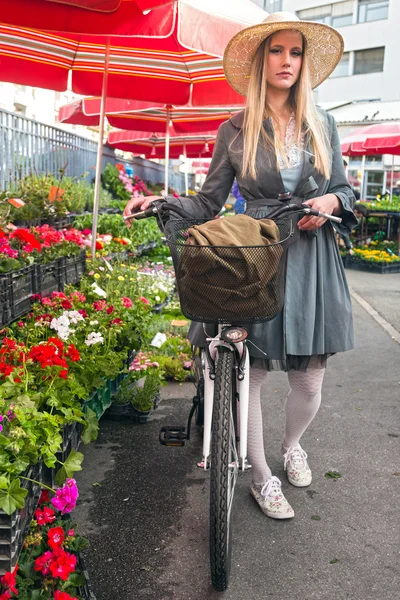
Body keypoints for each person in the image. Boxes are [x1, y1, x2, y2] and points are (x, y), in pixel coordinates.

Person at [124, 12, 357, 520]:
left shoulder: (325, 124)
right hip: (254, 256)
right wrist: (161, 202)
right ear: (260, 60)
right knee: (250, 374)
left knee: (310, 381)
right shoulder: (234, 129)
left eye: (296, 53)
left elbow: (344, 188)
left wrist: (330, 205)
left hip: (313, 260)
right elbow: (209, 203)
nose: (287, 61)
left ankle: (292, 445)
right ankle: (260, 475)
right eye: (277, 51)